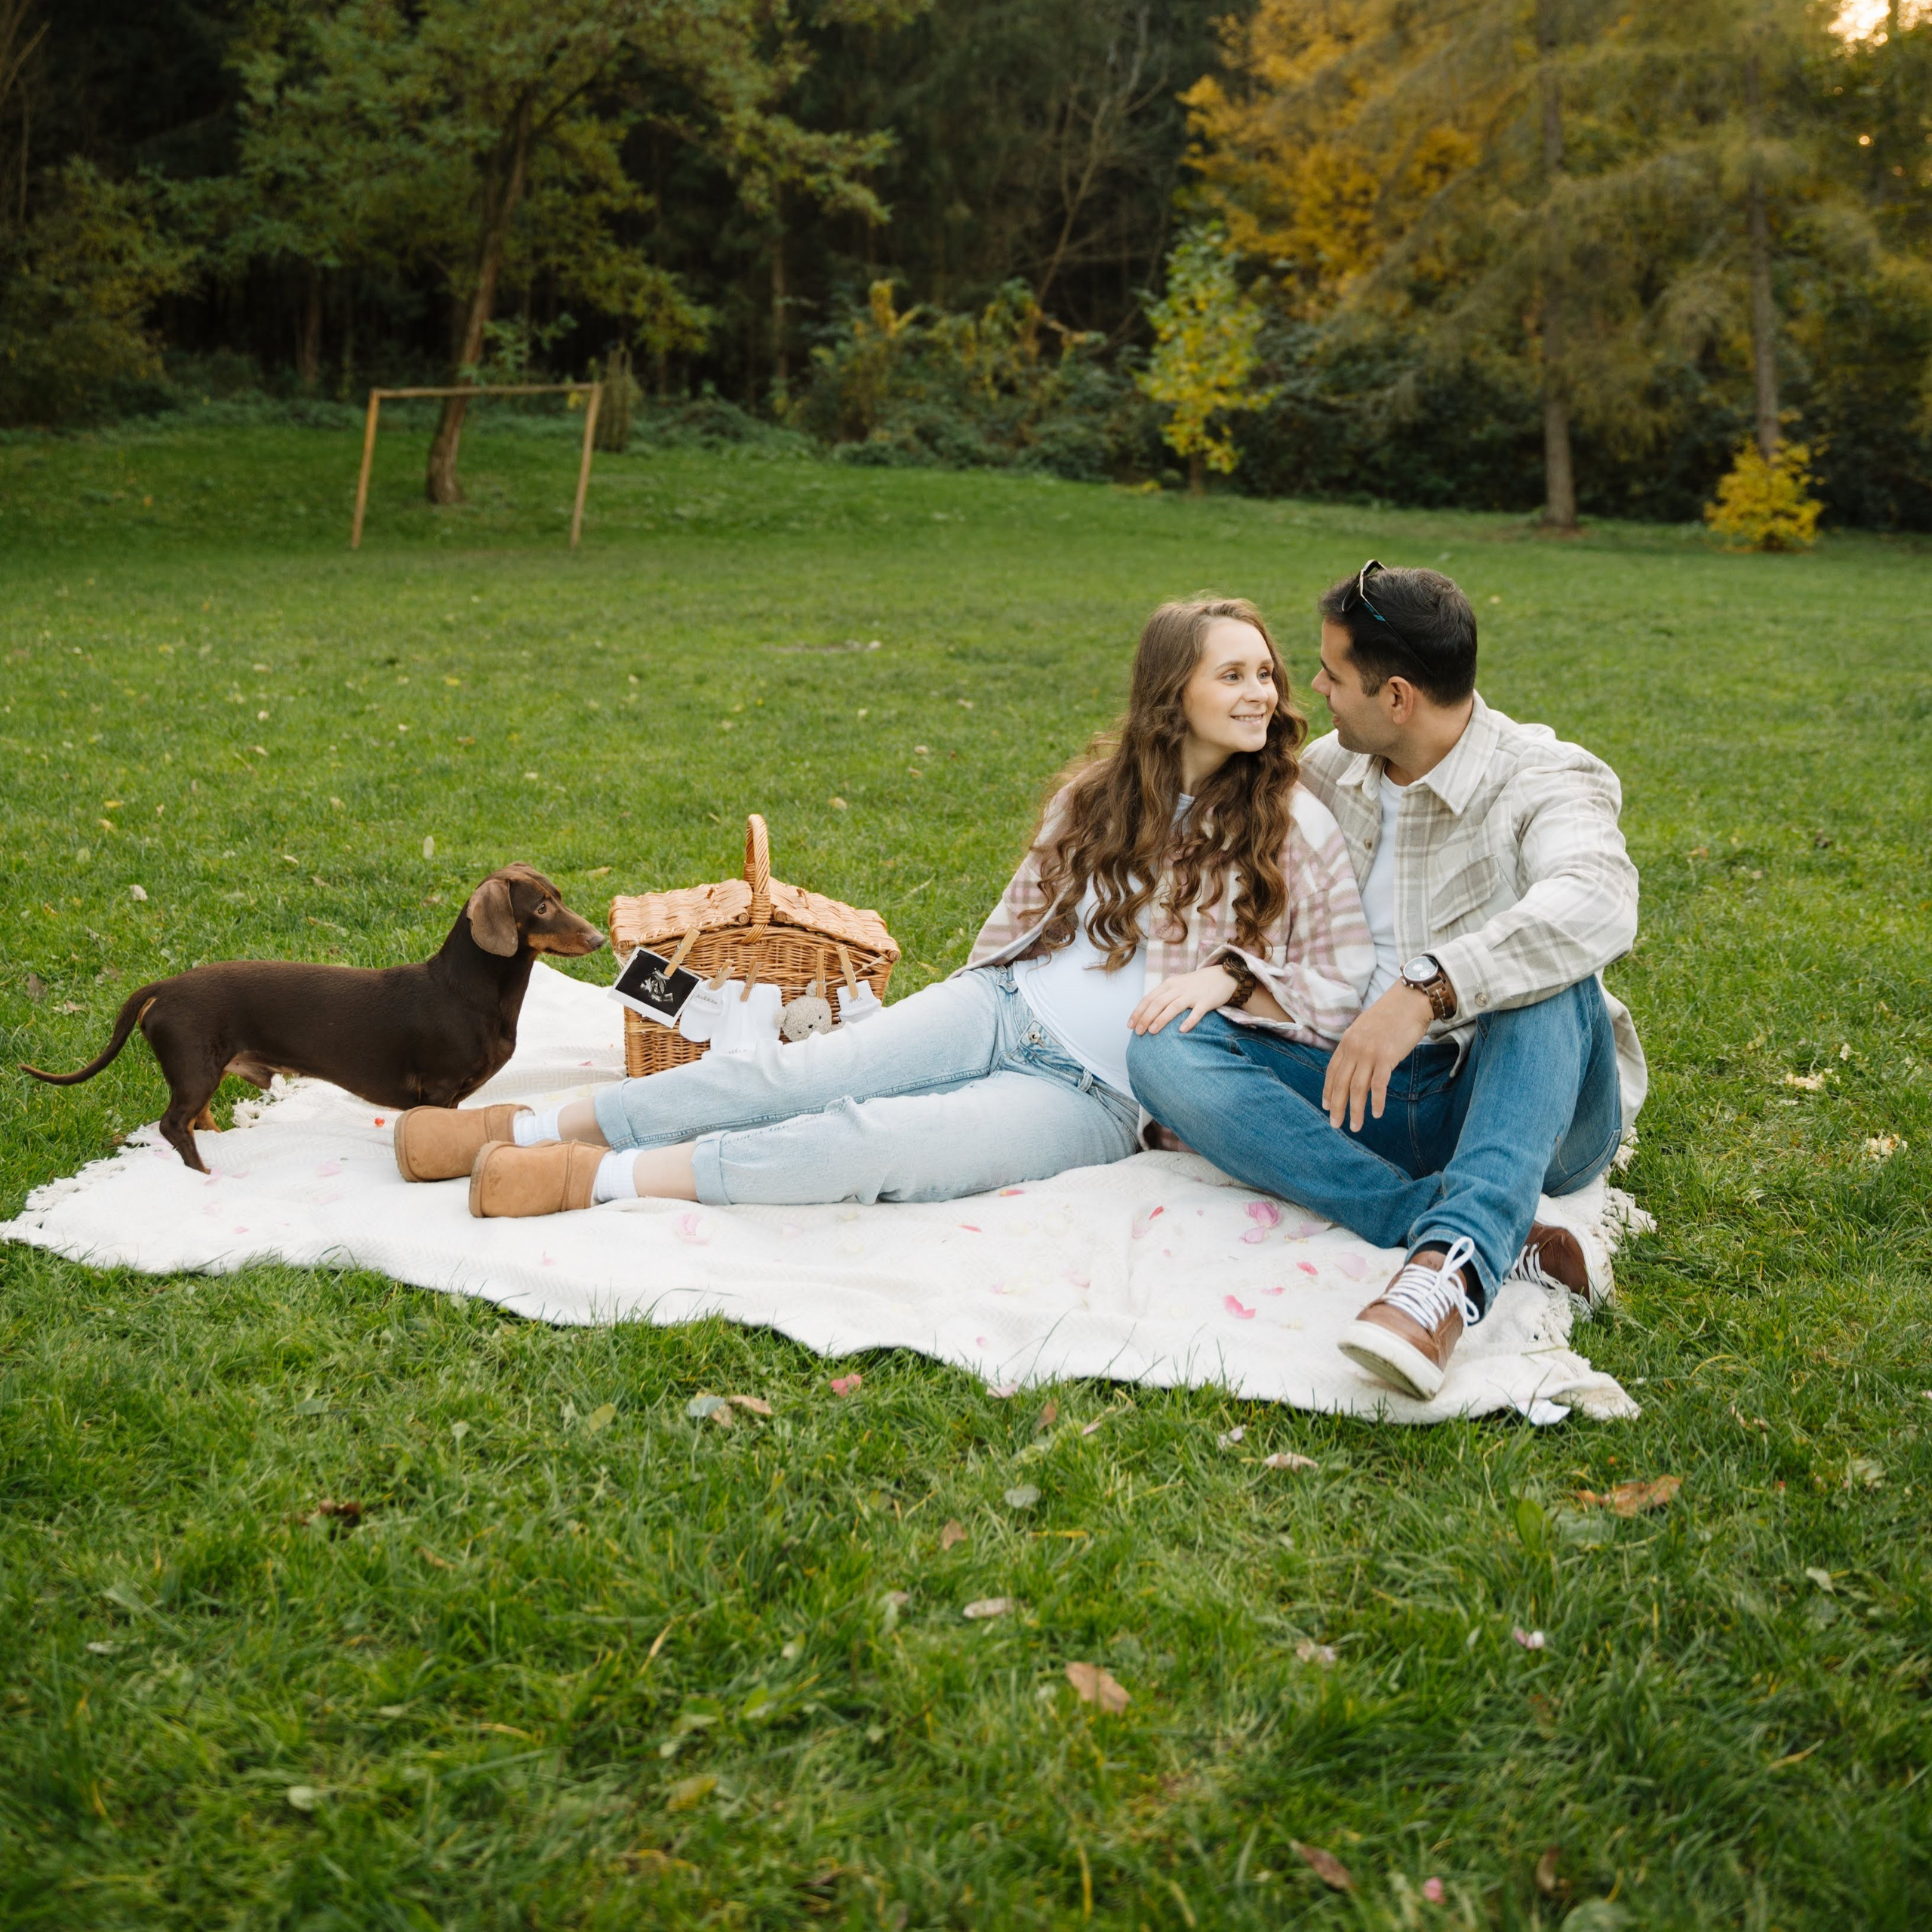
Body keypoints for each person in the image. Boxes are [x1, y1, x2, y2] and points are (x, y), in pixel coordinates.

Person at [390, 595, 1373, 1217]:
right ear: (1174, 692)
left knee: (875, 1144)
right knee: (796, 1072)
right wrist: (960, 1014)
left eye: (1266, 673)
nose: (1262, 691)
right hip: (1002, 1009)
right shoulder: (1097, 796)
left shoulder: (1293, 825)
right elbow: (1017, 929)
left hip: (1102, 1095)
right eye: (1232, 673)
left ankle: (589, 1178)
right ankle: (519, 1132)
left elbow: (1341, 982)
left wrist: (1231, 972)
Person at [1126, 562, 1644, 1401]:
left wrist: (1428, 989)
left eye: (1333, 673)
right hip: (1363, 1088)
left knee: (1543, 970)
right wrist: (1227, 974)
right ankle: (1443, 1213)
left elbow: (1595, 899)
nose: (1316, 688)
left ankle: (1448, 1274)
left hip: (1526, 1095)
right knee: (1162, 1052)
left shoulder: (1547, 776)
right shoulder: (1328, 771)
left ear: (1396, 697)